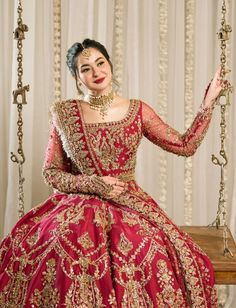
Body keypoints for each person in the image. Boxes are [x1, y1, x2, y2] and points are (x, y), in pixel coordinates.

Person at [0, 38, 227, 307]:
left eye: (100, 63)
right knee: (56, 243)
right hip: (78, 203)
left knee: (148, 248)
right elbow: (52, 172)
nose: (96, 72)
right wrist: (94, 183)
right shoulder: (63, 113)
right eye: (85, 68)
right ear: (76, 77)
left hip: (128, 202)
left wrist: (208, 103)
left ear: (110, 65)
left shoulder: (136, 110)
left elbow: (185, 145)